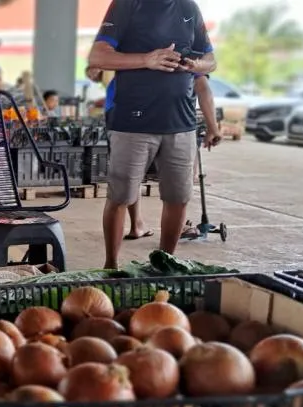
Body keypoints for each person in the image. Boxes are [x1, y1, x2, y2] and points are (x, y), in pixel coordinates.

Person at [87, 0, 216, 269]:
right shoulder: (127, 4)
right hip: (133, 123)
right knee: (120, 197)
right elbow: (97, 57)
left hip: (181, 123)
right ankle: (111, 266)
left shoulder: (188, 7)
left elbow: (211, 61)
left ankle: (164, 264)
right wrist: (146, 59)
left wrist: (195, 64)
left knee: (178, 198)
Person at [87, 66, 221, 240]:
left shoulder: (188, 46)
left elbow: (202, 82)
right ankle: (135, 228)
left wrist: (213, 126)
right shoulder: (129, 43)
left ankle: (161, 228)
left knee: (173, 188)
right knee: (128, 182)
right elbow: (98, 68)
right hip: (129, 116)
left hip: (170, 119)